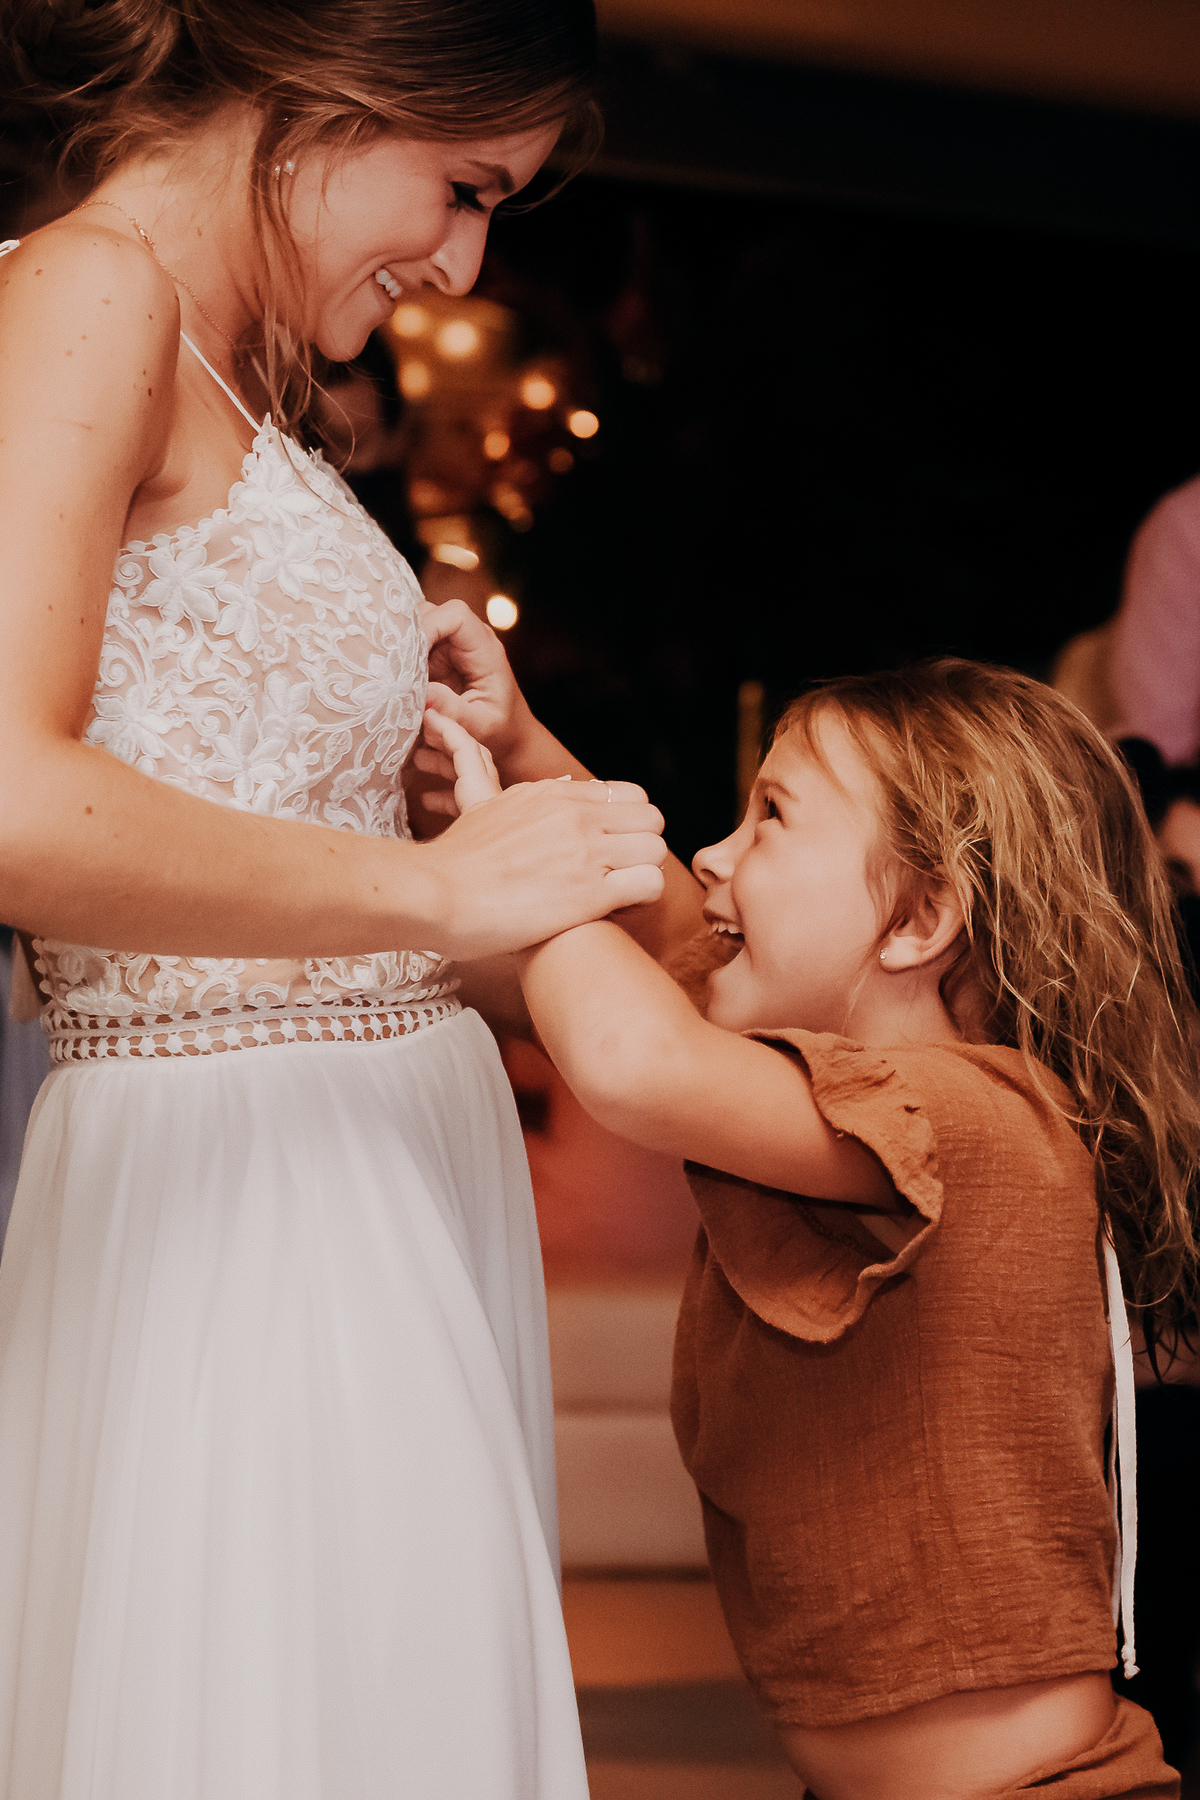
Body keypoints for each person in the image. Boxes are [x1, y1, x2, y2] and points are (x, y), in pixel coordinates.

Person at [0, 1, 703, 1794]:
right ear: (335, 95)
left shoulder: (242, 372)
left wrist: (483, 795)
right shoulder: (90, 293)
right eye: (467, 188)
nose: (461, 265)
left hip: (375, 1159)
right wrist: (431, 890)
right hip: (252, 1193)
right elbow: (10, 796)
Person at [423, 658, 1200, 1799]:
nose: (711, 855)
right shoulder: (844, 1095)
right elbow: (677, 935)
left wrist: (521, 864)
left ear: (921, 919)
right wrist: (526, 748)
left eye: (772, 818)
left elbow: (635, 1059)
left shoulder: (989, 1118)